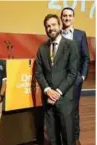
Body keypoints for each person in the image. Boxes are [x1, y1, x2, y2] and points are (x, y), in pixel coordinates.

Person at [35, 14, 79, 145]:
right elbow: (39, 72)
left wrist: (58, 92)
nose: (51, 28)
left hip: (65, 99)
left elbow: (72, 73)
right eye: (47, 26)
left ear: (59, 25)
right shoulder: (42, 48)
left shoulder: (71, 45)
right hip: (48, 101)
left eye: (53, 25)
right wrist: (48, 90)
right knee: (52, 138)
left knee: (68, 138)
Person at [60, 7, 90, 145]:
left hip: (75, 80)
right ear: (61, 18)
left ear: (73, 18)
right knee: (61, 109)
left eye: (70, 16)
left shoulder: (80, 34)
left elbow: (85, 57)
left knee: (74, 109)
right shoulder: (57, 34)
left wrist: (82, 76)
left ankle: (76, 138)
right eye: (65, 16)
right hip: (60, 80)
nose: (67, 18)